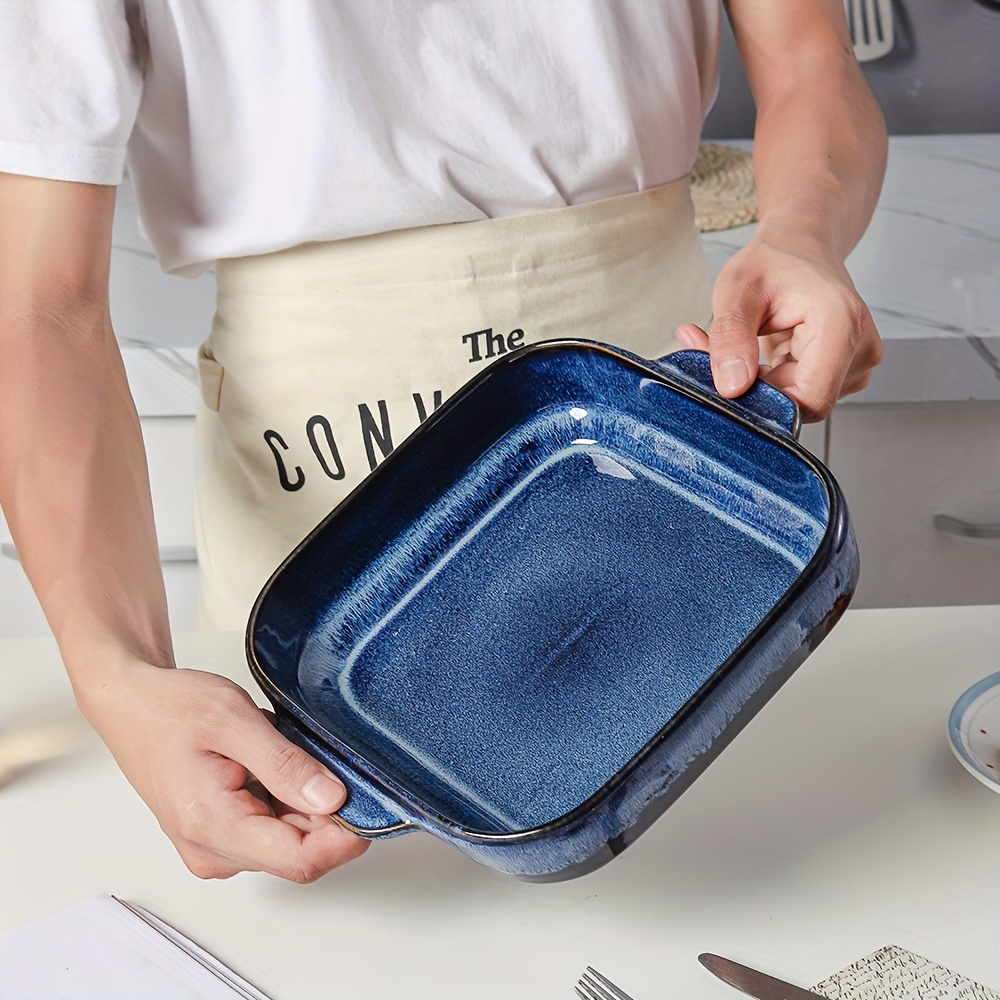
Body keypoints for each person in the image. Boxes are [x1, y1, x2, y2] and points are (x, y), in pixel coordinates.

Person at [0, 0, 886, 883]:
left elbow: (811, 56)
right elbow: (39, 307)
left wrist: (805, 232)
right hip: (345, 588)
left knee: (784, 873)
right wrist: (116, 675)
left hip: (671, 468)